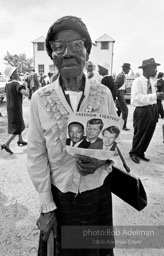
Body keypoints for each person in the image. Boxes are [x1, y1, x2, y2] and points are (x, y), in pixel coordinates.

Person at [27, 15, 117, 256]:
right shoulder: (40, 99)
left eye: (77, 45)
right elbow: (36, 154)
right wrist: (46, 206)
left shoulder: (104, 93)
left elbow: (111, 142)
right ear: (52, 56)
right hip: (61, 200)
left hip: (98, 193)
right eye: (59, 47)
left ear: (87, 51)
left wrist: (101, 161)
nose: (68, 53)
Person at [129, 58, 164, 164]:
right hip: (142, 111)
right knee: (139, 133)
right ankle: (134, 152)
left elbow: (151, 97)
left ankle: (141, 152)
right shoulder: (137, 82)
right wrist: (155, 95)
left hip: (152, 110)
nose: (156, 70)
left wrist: (158, 97)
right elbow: (136, 99)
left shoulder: (151, 81)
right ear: (147, 69)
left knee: (149, 133)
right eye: (154, 68)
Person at [1, 65, 29, 154]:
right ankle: (6, 144)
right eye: (15, 72)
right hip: (16, 108)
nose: (17, 73)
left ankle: (20, 140)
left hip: (10, 107)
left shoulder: (7, 84)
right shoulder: (16, 84)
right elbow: (26, 94)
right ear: (12, 75)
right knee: (17, 127)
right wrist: (26, 86)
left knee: (18, 123)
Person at [114, 63, 131, 130]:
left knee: (118, 111)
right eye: (128, 69)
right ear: (124, 69)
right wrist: (117, 95)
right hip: (120, 94)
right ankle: (123, 126)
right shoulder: (121, 76)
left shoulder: (122, 75)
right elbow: (115, 85)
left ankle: (116, 124)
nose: (129, 71)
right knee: (125, 110)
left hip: (121, 93)